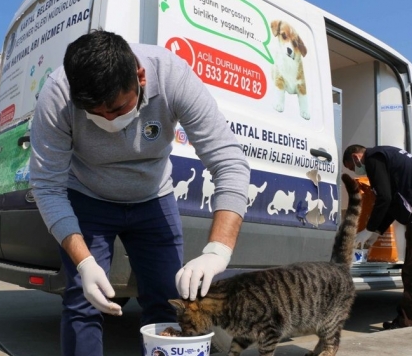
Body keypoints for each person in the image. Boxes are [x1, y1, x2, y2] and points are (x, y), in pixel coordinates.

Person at [29, 30, 250, 356]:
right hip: (87, 197)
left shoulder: (172, 76)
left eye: (117, 109)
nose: (108, 121)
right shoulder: (58, 94)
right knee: (84, 300)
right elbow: (47, 186)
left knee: (169, 300)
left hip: (153, 199)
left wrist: (217, 252)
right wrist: (85, 263)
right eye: (95, 114)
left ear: (140, 78)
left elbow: (230, 164)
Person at [343, 144, 412, 330]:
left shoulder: (373, 158)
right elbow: (392, 203)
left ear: (356, 157)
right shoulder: (384, 154)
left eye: (352, 167)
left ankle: (408, 321)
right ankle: (407, 316)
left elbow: (384, 198)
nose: (356, 170)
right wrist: (376, 231)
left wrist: (369, 228)